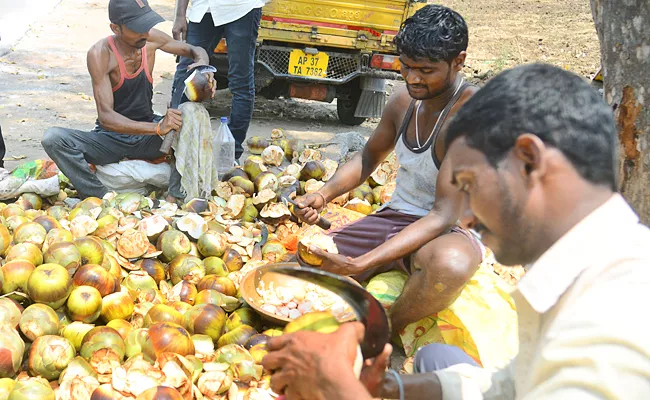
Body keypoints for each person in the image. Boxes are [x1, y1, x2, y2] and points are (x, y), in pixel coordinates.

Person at [262, 63, 650, 399]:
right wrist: (389, 388)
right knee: (435, 362)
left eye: (468, 183)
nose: (464, 218)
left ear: (529, 161)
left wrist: (336, 389)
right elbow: (510, 389)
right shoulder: (585, 270)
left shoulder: (615, 316)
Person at [294, 5, 483, 334]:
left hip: (450, 231)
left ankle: (386, 329)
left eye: (425, 70)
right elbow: (368, 159)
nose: (412, 78)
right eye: (406, 66)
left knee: (449, 266)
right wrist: (322, 195)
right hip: (396, 218)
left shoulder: (470, 117)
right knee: (300, 268)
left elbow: (442, 216)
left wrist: (361, 264)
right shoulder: (403, 101)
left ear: (459, 61)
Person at [42, 0, 214, 201]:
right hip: (110, 139)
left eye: (146, 25)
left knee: (193, 116)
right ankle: (99, 196)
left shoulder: (150, 39)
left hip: (147, 137)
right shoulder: (100, 54)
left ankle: (175, 196)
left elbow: (195, 50)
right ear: (116, 28)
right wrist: (158, 128)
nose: (144, 32)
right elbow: (106, 117)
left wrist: (204, 69)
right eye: (136, 28)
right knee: (53, 138)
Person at [171, 0, 264, 162]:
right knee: (186, 74)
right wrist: (180, 15)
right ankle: (173, 144)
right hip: (204, 8)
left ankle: (230, 154)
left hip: (242, 8)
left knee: (240, 81)